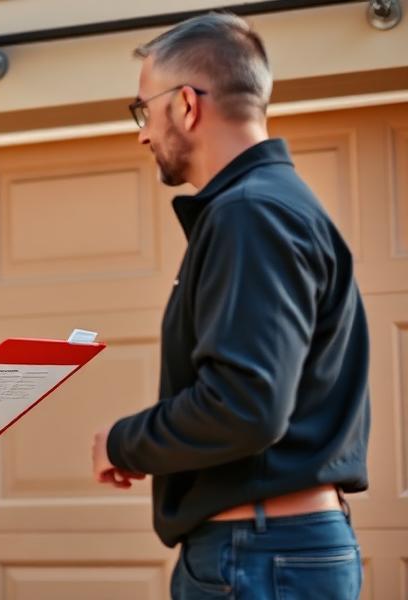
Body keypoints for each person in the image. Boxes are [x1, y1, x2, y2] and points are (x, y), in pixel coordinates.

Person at [91, 13, 369, 599]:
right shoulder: (274, 205)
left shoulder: (250, 213)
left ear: (187, 105)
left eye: (145, 109)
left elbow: (245, 405)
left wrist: (123, 442)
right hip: (276, 550)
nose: (142, 132)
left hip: (259, 555)